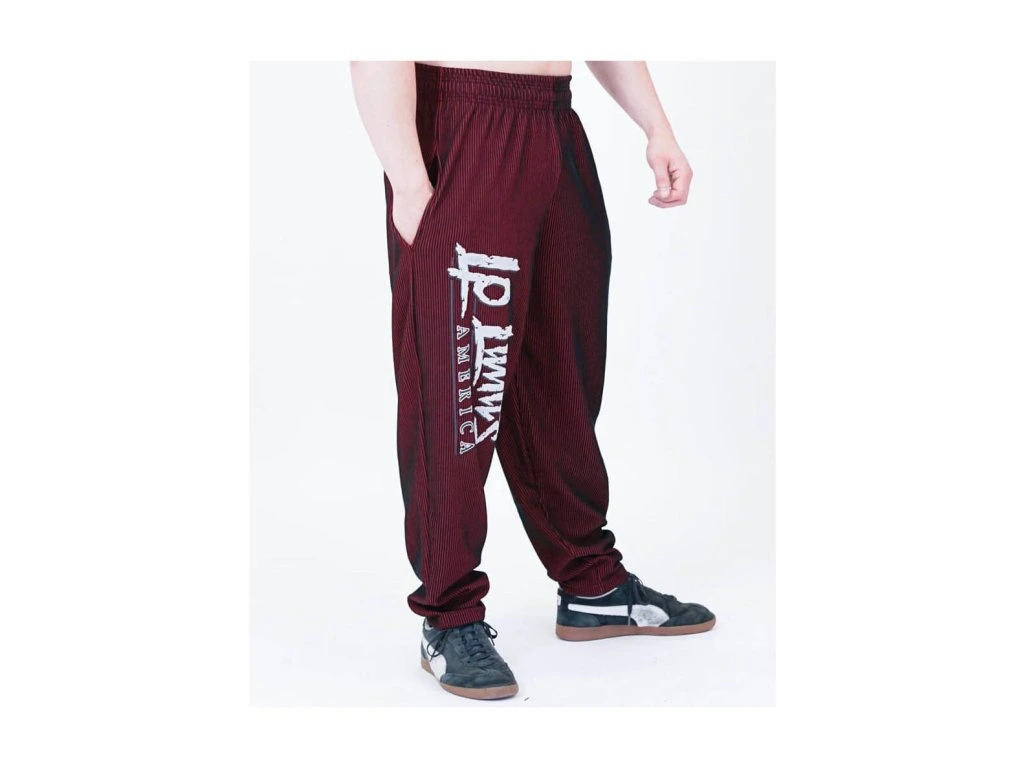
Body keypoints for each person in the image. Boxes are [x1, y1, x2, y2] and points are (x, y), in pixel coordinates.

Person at [351, 60, 715, 701]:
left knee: (562, 367)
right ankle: (449, 615)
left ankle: (591, 583)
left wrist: (656, 126)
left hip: (553, 121)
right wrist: (408, 181)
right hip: (462, 122)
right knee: (463, 381)